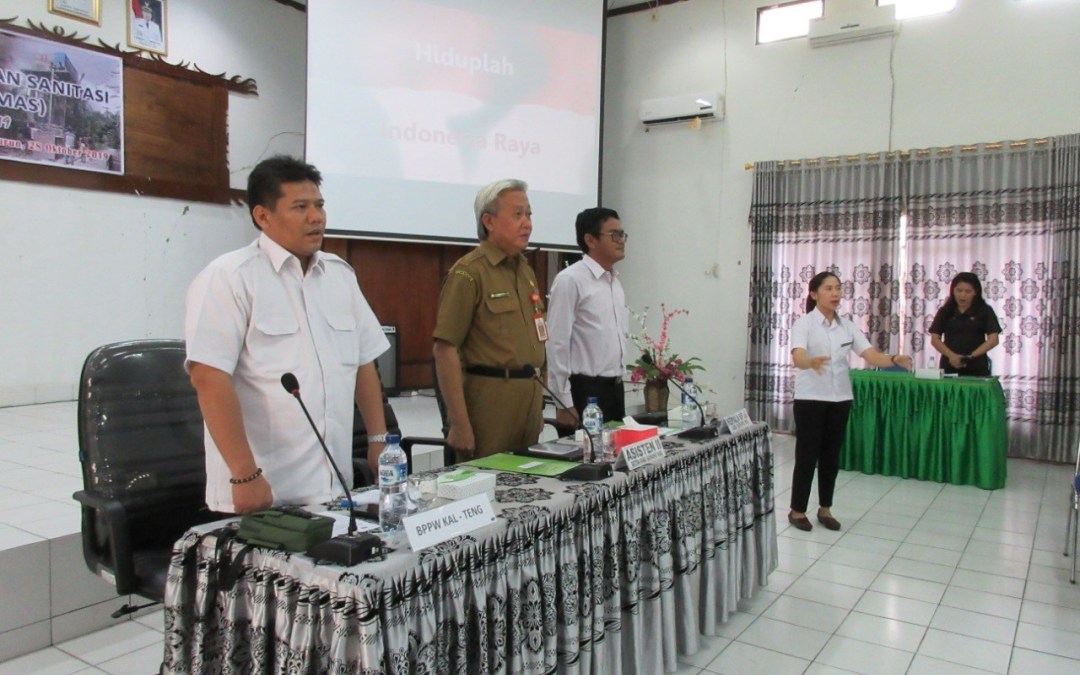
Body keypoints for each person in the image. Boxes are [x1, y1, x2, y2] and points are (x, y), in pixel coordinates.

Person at [185, 156, 389, 515]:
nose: (317, 217)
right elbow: (208, 377)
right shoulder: (230, 278)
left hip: (332, 486)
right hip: (262, 492)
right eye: (301, 207)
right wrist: (244, 475)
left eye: (319, 205)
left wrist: (378, 439)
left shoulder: (340, 275)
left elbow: (363, 363)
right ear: (263, 217)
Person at [788, 271, 912, 532]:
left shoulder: (848, 326)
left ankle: (825, 509)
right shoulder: (804, 324)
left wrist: (893, 360)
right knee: (807, 455)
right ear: (814, 294)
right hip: (811, 398)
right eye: (829, 289)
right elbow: (798, 357)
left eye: (838, 288)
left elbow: (870, 354)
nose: (835, 293)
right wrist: (809, 362)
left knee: (831, 456)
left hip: (840, 397)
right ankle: (797, 510)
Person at [432, 179, 546, 459]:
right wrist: (458, 423)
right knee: (487, 489)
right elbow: (445, 349)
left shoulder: (525, 271)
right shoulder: (469, 273)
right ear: (489, 221)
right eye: (517, 214)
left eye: (529, 214)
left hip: (529, 400)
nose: (527, 223)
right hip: (490, 405)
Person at [545, 207, 629, 428]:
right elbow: (557, 344)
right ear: (590, 240)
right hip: (585, 392)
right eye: (614, 235)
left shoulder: (615, 282)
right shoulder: (570, 280)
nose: (621, 240)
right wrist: (563, 402)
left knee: (614, 460)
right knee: (587, 461)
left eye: (622, 234)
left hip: (615, 389)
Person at [929, 272, 1001, 377]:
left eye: (968, 291)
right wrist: (951, 356)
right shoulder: (945, 311)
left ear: (975, 292)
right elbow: (935, 338)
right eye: (959, 290)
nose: (962, 295)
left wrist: (970, 357)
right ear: (953, 291)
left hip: (977, 366)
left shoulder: (985, 311)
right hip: (949, 364)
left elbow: (993, 339)